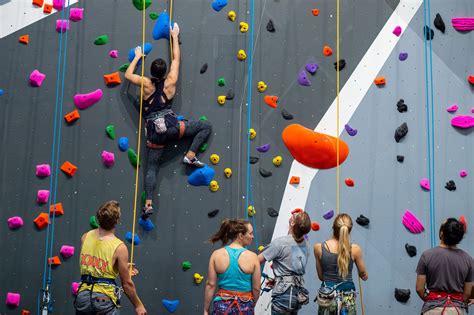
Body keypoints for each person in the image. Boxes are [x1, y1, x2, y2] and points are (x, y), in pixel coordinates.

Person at [124, 23, 212, 219]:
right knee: (204, 126)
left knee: (152, 168)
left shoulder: (146, 83)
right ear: (163, 73)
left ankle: (148, 205)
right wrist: (174, 36)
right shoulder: (171, 80)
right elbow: (176, 59)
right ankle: (190, 155)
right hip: (173, 128)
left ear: (152, 72)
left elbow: (128, 75)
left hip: (155, 134)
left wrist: (138, 57)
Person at [75, 200, 147, 315]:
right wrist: (138, 305)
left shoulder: (85, 237)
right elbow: (127, 284)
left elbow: (95, 263)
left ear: (99, 218)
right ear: (117, 221)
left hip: (83, 297)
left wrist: (120, 267)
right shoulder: (119, 247)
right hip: (103, 300)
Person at [258, 210, 312, 314]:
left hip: (283, 294)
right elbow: (292, 269)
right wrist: (277, 280)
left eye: (297, 215)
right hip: (297, 294)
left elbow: (257, 261)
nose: (295, 213)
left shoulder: (280, 243)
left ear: (292, 223)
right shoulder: (306, 245)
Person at [313, 213, 368, 315]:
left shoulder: (318, 248)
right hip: (346, 301)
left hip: (327, 299)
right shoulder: (355, 249)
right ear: (349, 231)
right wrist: (363, 274)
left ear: (333, 227)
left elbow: (321, 277)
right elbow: (364, 276)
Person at [204, 219, 261, 315]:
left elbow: (211, 284)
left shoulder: (216, 255)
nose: (252, 236)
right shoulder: (253, 257)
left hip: (222, 305)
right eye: (250, 233)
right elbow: (256, 288)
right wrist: (252, 304)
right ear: (241, 235)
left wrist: (206, 310)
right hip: (245, 305)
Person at [416, 218, 472, 314]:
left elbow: (419, 288)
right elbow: (467, 293)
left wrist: (432, 299)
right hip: (456, 310)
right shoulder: (468, 259)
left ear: (442, 233)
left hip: (432, 309)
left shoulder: (427, 255)